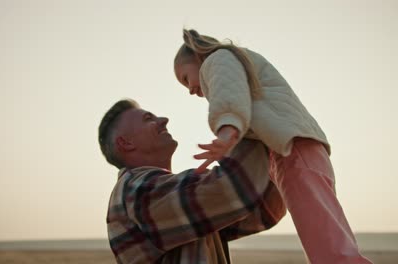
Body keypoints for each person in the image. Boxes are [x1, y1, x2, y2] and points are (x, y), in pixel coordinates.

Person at [173, 29, 372, 264]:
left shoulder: (217, 59)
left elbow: (229, 96)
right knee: (330, 239)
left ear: (197, 57)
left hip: (293, 150)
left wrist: (226, 132)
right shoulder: (239, 61)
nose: (190, 90)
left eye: (186, 78)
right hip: (300, 148)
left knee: (331, 251)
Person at [98, 99, 285, 263]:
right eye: (149, 119)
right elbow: (236, 189)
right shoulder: (135, 190)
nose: (163, 120)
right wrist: (240, 122)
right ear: (126, 143)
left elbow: (266, 211)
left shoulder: (170, 197)